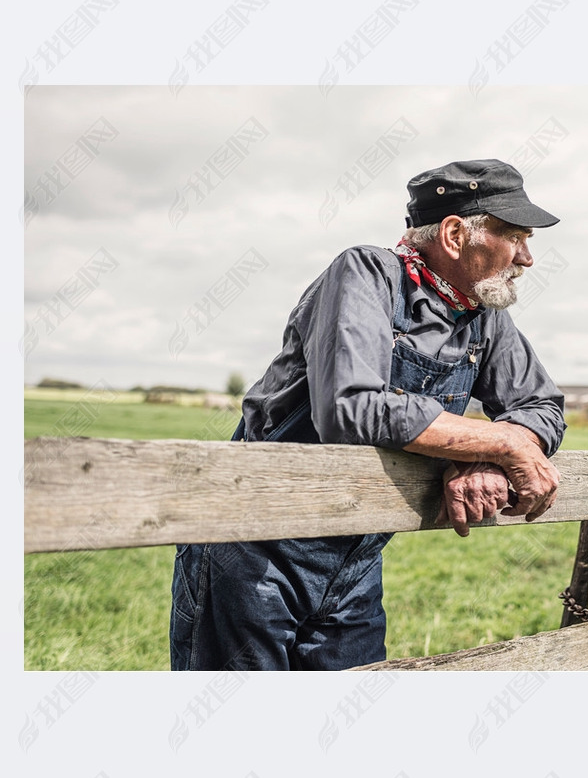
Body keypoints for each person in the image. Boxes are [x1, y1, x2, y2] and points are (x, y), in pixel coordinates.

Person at [169, 159, 565, 671]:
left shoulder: (483, 319)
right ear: (453, 234)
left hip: (356, 559)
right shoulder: (365, 275)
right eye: (515, 236)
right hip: (254, 546)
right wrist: (503, 443)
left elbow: (542, 406)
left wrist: (485, 458)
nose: (527, 258)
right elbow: (351, 408)